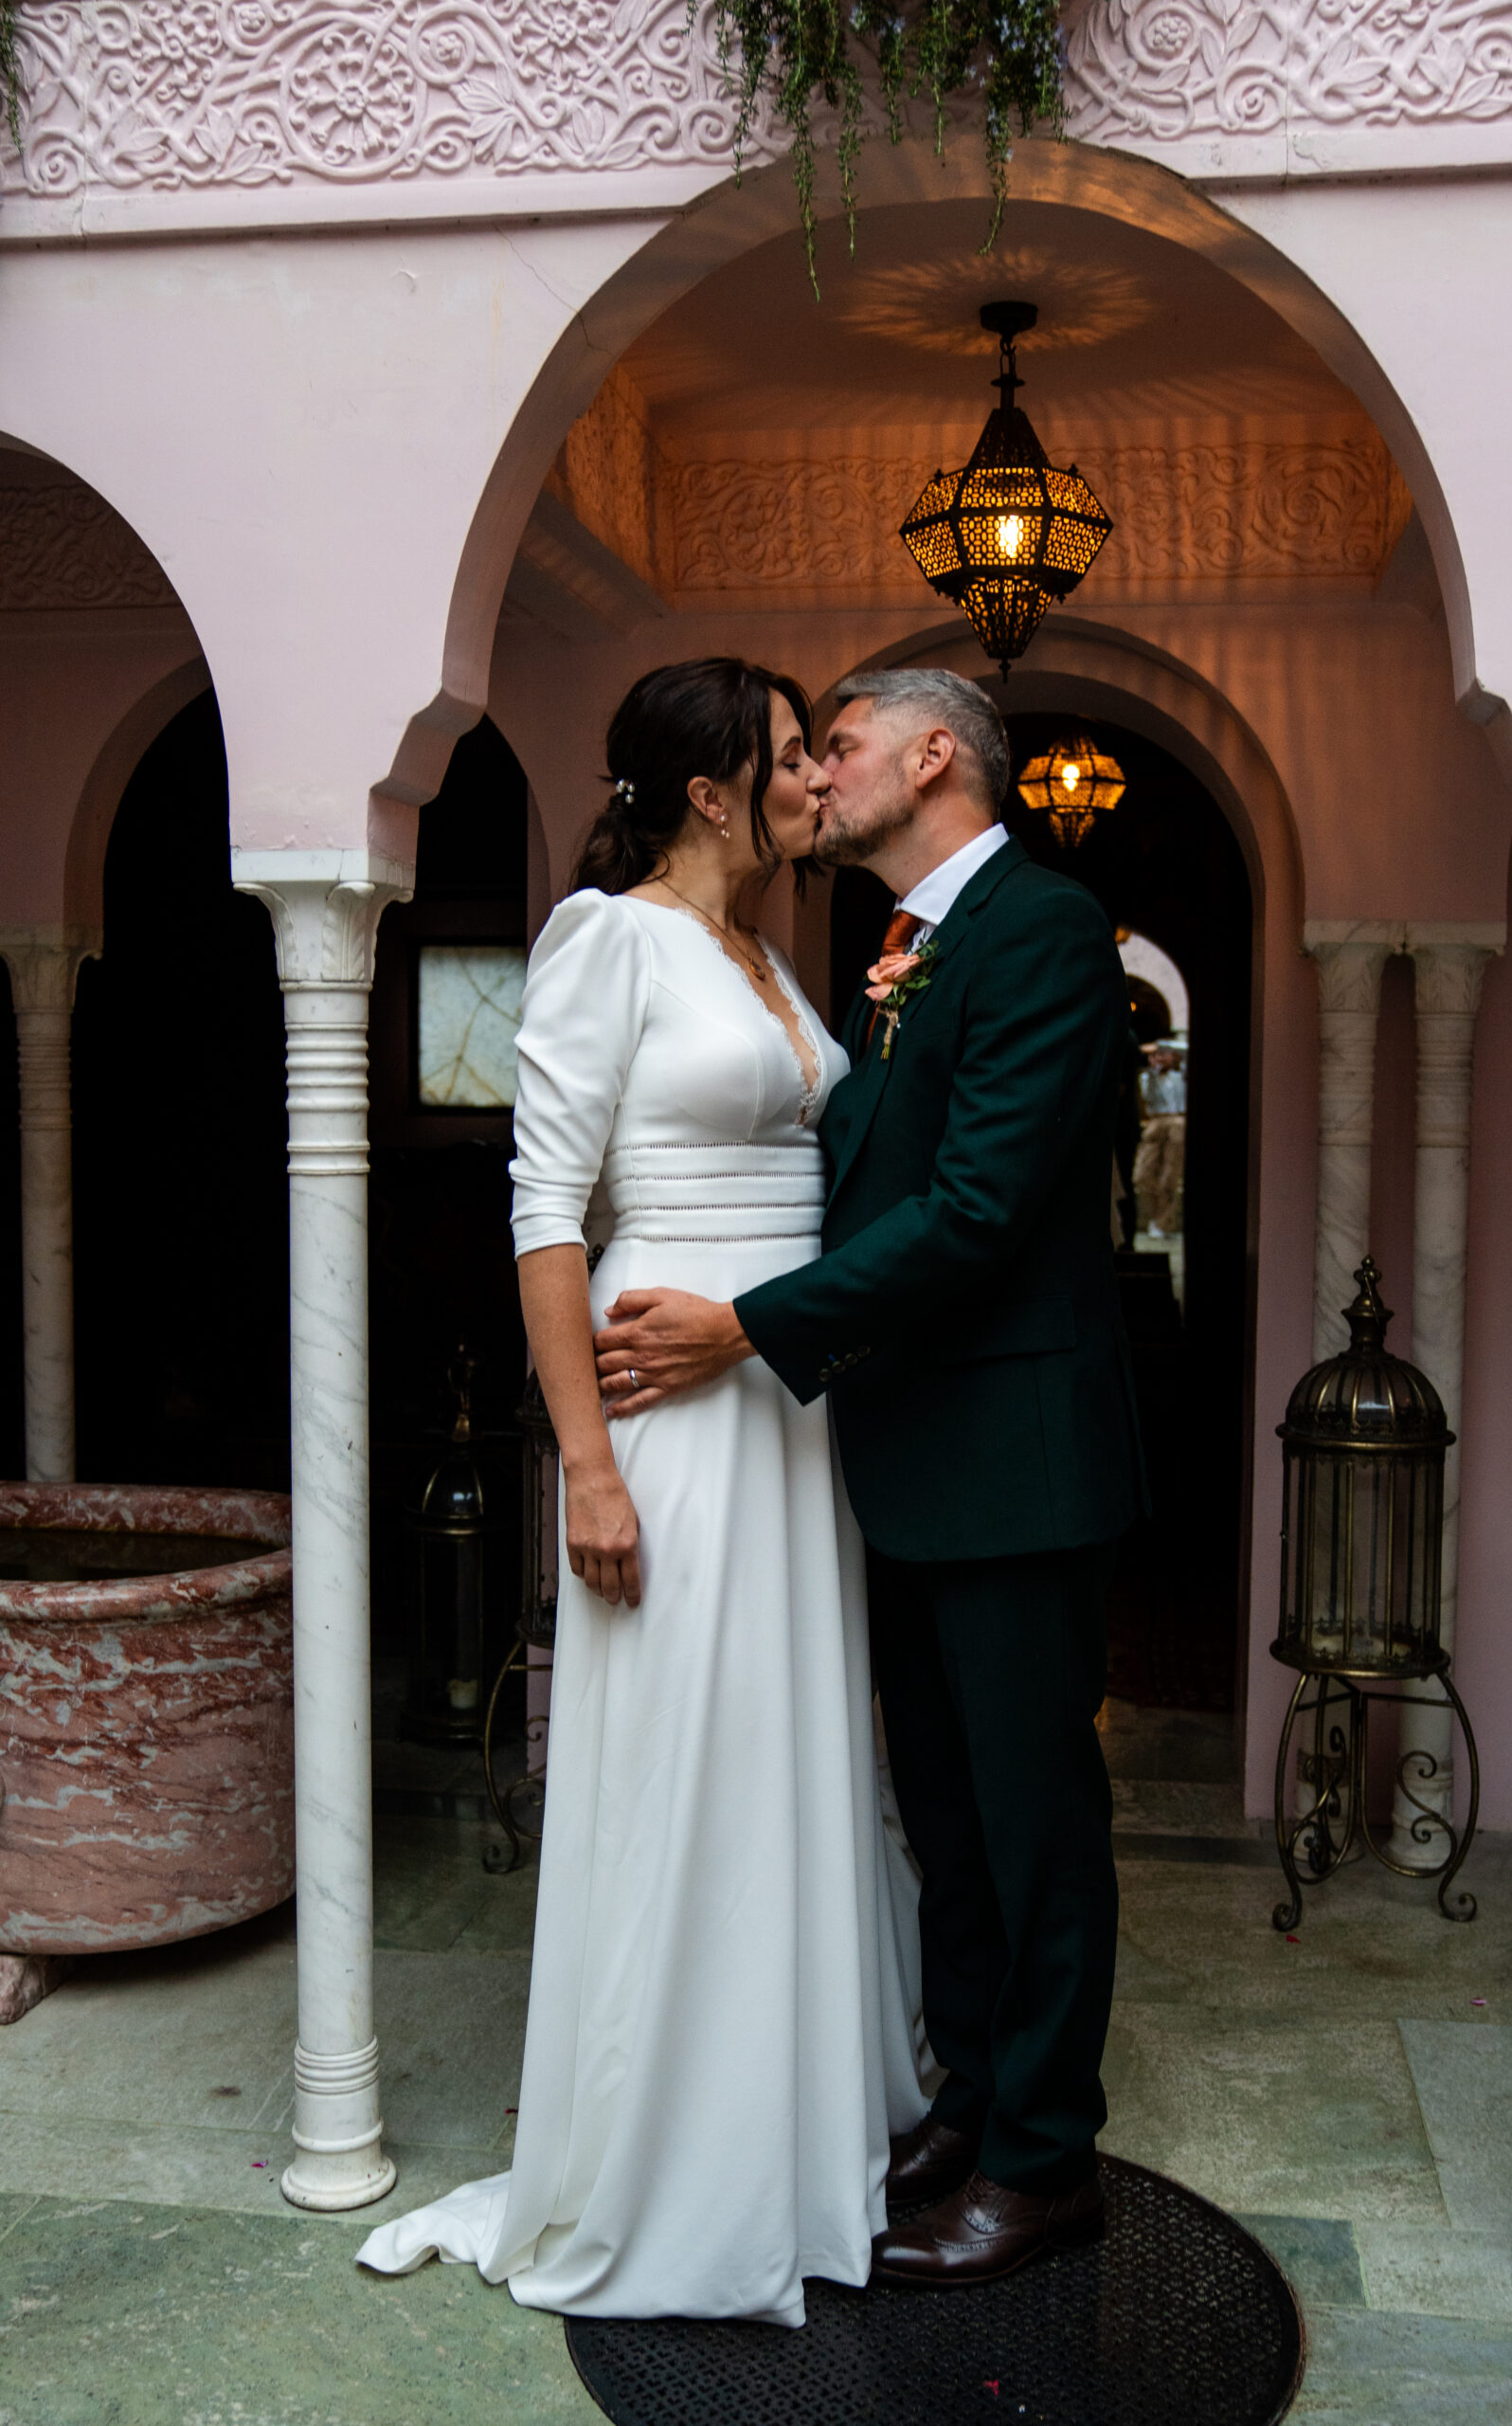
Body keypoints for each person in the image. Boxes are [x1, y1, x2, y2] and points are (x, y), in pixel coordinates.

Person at [357, 659, 927, 2325]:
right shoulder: (606, 939)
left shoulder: (764, 951)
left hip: (785, 1406)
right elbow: (545, 1214)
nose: (818, 779)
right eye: (788, 757)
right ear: (708, 789)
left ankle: (791, 2117)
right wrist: (584, 1474)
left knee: (785, 1756)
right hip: (662, 1405)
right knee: (687, 1765)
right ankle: (674, 2165)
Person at [596, 666, 1146, 2287]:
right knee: (955, 1817)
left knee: (1035, 1822)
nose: (811, 776)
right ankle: (972, 2104)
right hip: (905, 1459)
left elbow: (975, 1212)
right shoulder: (900, 949)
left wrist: (745, 1328)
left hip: (1017, 1464)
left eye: (830, 747)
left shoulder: (1040, 927)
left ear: (929, 757)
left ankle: (1047, 2163)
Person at [1133, 1041, 1187, 1239]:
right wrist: (1154, 1068)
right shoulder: (1148, 1077)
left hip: (1177, 1121)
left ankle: (1164, 1223)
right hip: (1155, 1121)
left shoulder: (1180, 1076)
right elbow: (1149, 1095)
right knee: (1143, 1175)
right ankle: (1154, 1217)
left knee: (1170, 1175)